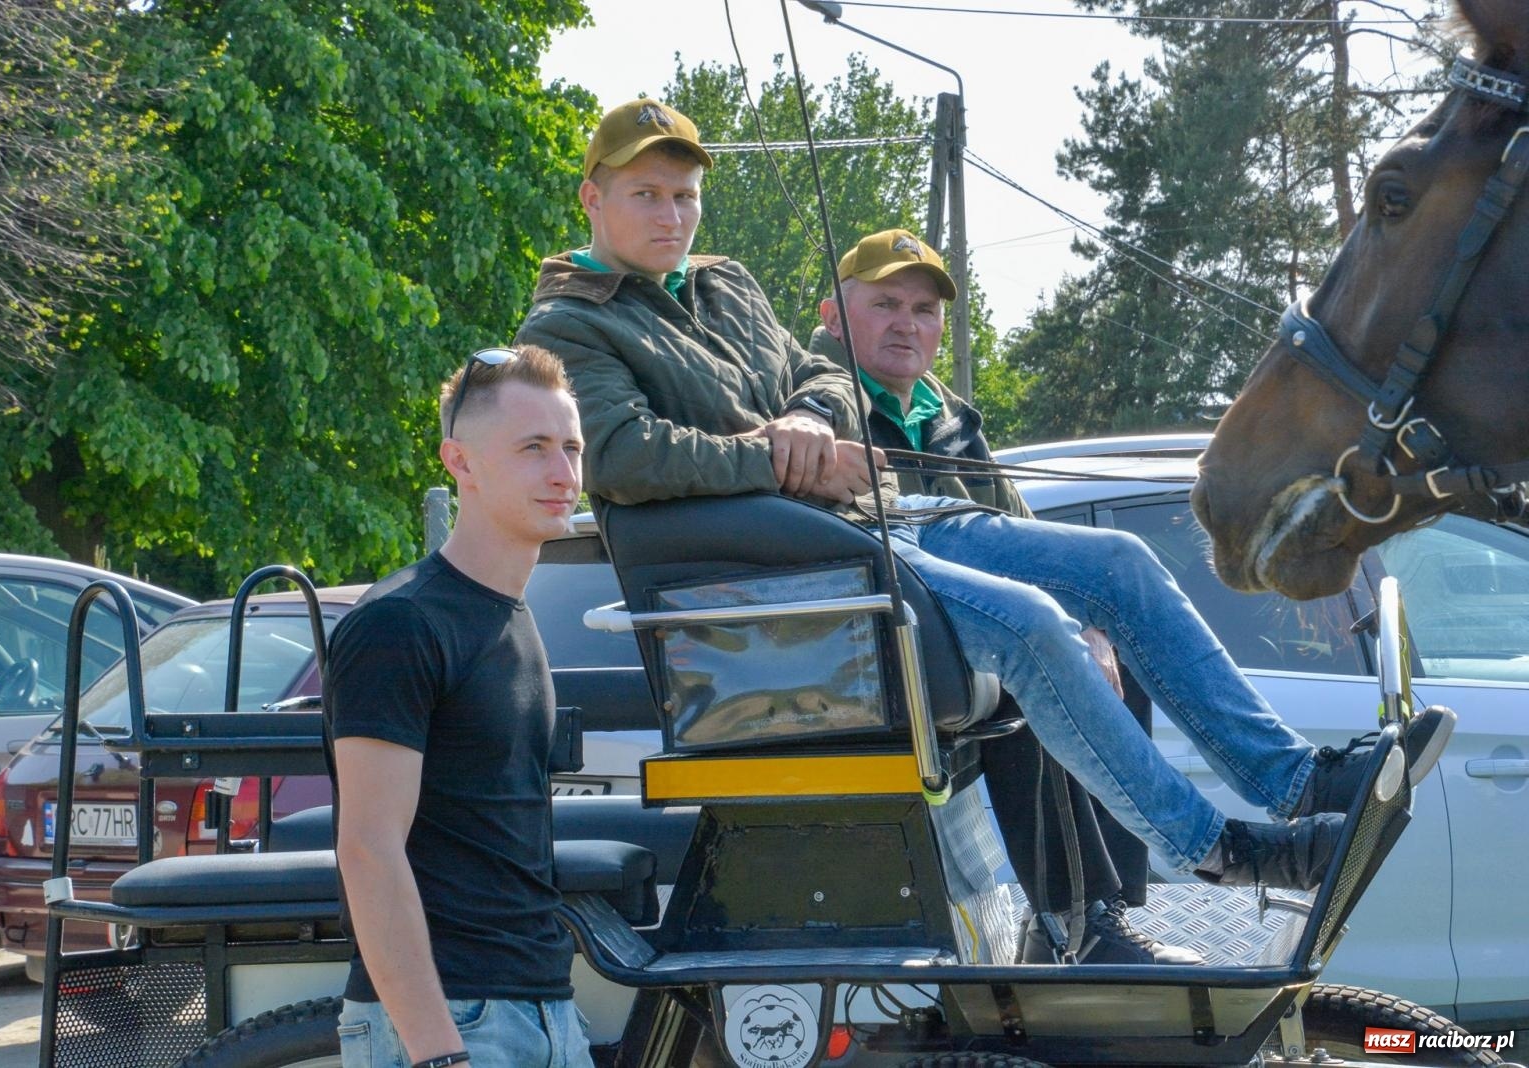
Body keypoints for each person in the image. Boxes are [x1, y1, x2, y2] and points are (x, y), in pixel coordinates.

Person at [516, 98, 1454, 902]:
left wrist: (809, 411)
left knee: (1120, 566)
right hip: (788, 575)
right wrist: (777, 456)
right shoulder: (572, 322)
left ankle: (1293, 779)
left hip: (863, 524)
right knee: (1032, 622)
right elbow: (623, 459)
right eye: (645, 194)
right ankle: (1224, 852)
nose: (671, 214)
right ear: (594, 198)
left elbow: (820, 376)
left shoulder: (726, 286)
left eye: (684, 195)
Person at [812, 226, 1189, 965]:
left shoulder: (946, 415)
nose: (906, 323)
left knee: (1108, 658)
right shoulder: (823, 403)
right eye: (884, 303)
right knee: (1035, 669)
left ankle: (1102, 917)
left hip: (956, 633)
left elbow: (1015, 529)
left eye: (923, 309)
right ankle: (1076, 929)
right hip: (870, 644)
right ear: (832, 315)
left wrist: (1091, 625)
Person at [327, 346, 594, 1068]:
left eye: (571, 447)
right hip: (454, 1023)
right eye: (533, 448)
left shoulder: (513, 620)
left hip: (544, 1009)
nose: (563, 472)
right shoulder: (401, 623)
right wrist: (438, 1053)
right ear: (461, 464)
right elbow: (368, 850)